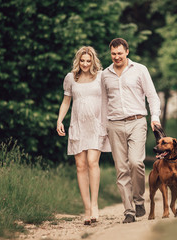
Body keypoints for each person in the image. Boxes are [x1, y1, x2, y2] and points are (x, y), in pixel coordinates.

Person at [101, 38, 161, 223]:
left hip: (137, 122)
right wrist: (103, 127)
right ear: (110, 53)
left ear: (127, 51)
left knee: (136, 162)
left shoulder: (140, 70)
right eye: (113, 54)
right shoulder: (105, 74)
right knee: (121, 169)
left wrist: (155, 117)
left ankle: (139, 200)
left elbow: (152, 96)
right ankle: (129, 211)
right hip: (114, 124)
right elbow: (103, 103)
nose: (117, 57)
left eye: (120, 53)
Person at [56, 46, 111, 225]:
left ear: (93, 61)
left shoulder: (101, 76)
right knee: (80, 166)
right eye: (82, 61)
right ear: (78, 61)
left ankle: (95, 205)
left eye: (88, 61)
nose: (86, 64)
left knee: (92, 162)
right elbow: (66, 102)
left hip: (96, 125)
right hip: (78, 126)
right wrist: (59, 120)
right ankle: (86, 209)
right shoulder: (70, 78)